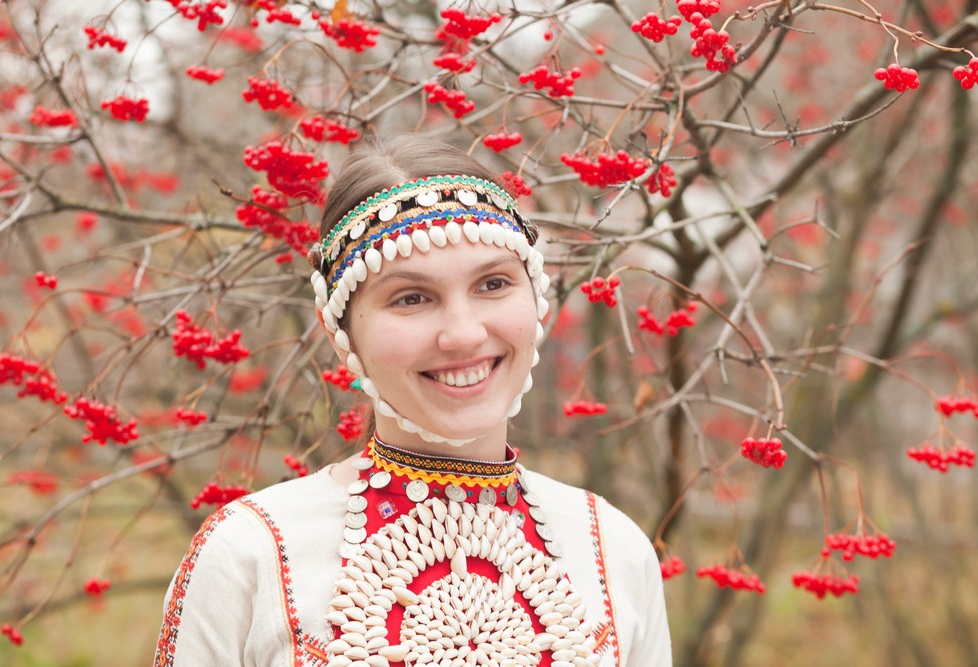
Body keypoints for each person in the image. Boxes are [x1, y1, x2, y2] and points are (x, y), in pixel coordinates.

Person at [154, 135, 672, 667]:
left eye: (493, 284)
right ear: (341, 334)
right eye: (412, 298)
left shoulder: (612, 548)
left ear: (536, 300)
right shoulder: (250, 555)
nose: (463, 334)